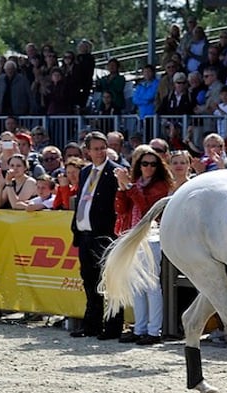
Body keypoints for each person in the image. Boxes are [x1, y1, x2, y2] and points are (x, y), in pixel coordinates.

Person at [114, 147, 172, 345]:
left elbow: (148, 209)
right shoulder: (137, 183)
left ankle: (154, 330)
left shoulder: (161, 185)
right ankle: (140, 328)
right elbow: (121, 208)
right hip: (134, 236)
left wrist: (128, 187)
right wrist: (123, 189)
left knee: (151, 284)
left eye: (153, 164)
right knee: (137, 286)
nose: (148, 167)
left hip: (152, 236)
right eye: (144, 163)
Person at [70, 131, 124, 340]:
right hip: (85, 235)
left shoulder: (115, 172)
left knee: (109, 282)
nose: (101, 152)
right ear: (88, 151)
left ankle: (113, 327)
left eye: (103, 148)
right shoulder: (85, 172)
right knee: (90, 281)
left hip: (105, 235)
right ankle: (91, 324)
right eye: (96, 149)